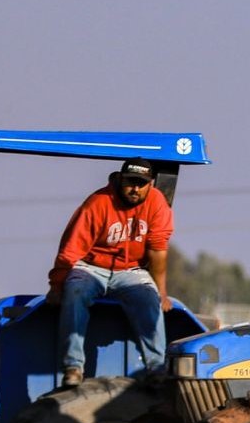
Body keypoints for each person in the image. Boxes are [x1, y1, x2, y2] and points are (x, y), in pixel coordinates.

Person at [49, 157, 174, 385]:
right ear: (119, 179)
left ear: (151, 184)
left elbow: (158, 251)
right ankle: (73, 367)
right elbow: (71, 249)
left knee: (149, 299)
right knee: (75, 291)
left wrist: (161, 293)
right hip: (91, 267)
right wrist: (57, 285)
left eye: (141, 183)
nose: (135, 188)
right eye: (130, 182)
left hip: (131, 269)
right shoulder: (98, 203)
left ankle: (156, 368)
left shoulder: (157, 204)